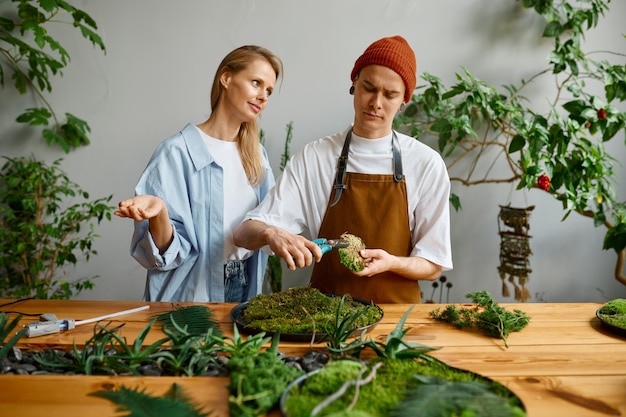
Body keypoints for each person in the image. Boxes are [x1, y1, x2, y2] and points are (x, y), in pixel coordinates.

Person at [234, 36, 452, 304]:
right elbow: (243, 233)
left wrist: (392, 262)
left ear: (404, 100)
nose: (376, 103)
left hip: (397, 325)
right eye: (369, 88)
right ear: (354, 84)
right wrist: (270, 232)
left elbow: (433, 265)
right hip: (327, 321)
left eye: (390, 94)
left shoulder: (426, 164)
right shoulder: (315, 157)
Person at [114, 45, 283, 302]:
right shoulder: (176, 152)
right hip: (191, 295)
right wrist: (159, 211)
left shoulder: (257, 156)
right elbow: (158, 256)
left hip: (244, 286)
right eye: (256, 83)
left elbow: (267, 222)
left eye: (268, 90)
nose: (263, 96)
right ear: (226, 78)